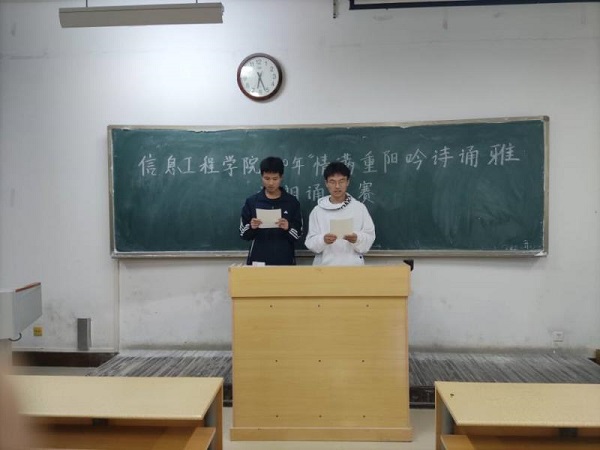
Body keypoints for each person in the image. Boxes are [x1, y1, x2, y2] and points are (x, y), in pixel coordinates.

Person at [305, 161, 375, 265]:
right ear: (326, 183)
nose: (337, 186)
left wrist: (357, 238)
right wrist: (323, 240)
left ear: (348, 182)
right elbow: (310, 242)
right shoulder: (318, 211)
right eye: (332, 182)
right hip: (325, 267)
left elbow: (370, 237)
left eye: (341, 181)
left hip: (353, 267)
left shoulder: (359, 208)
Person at [239, 156, 303, 265]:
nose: (271, 183)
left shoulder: (292, 202)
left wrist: (288, 227)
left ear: (281, 177)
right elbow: (243, 234)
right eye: (267, 178)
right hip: (258, 261)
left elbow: (299, 235)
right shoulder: (252, 202)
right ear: (261, 177)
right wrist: (251, 227)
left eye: (275, 179)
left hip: (285, 261)